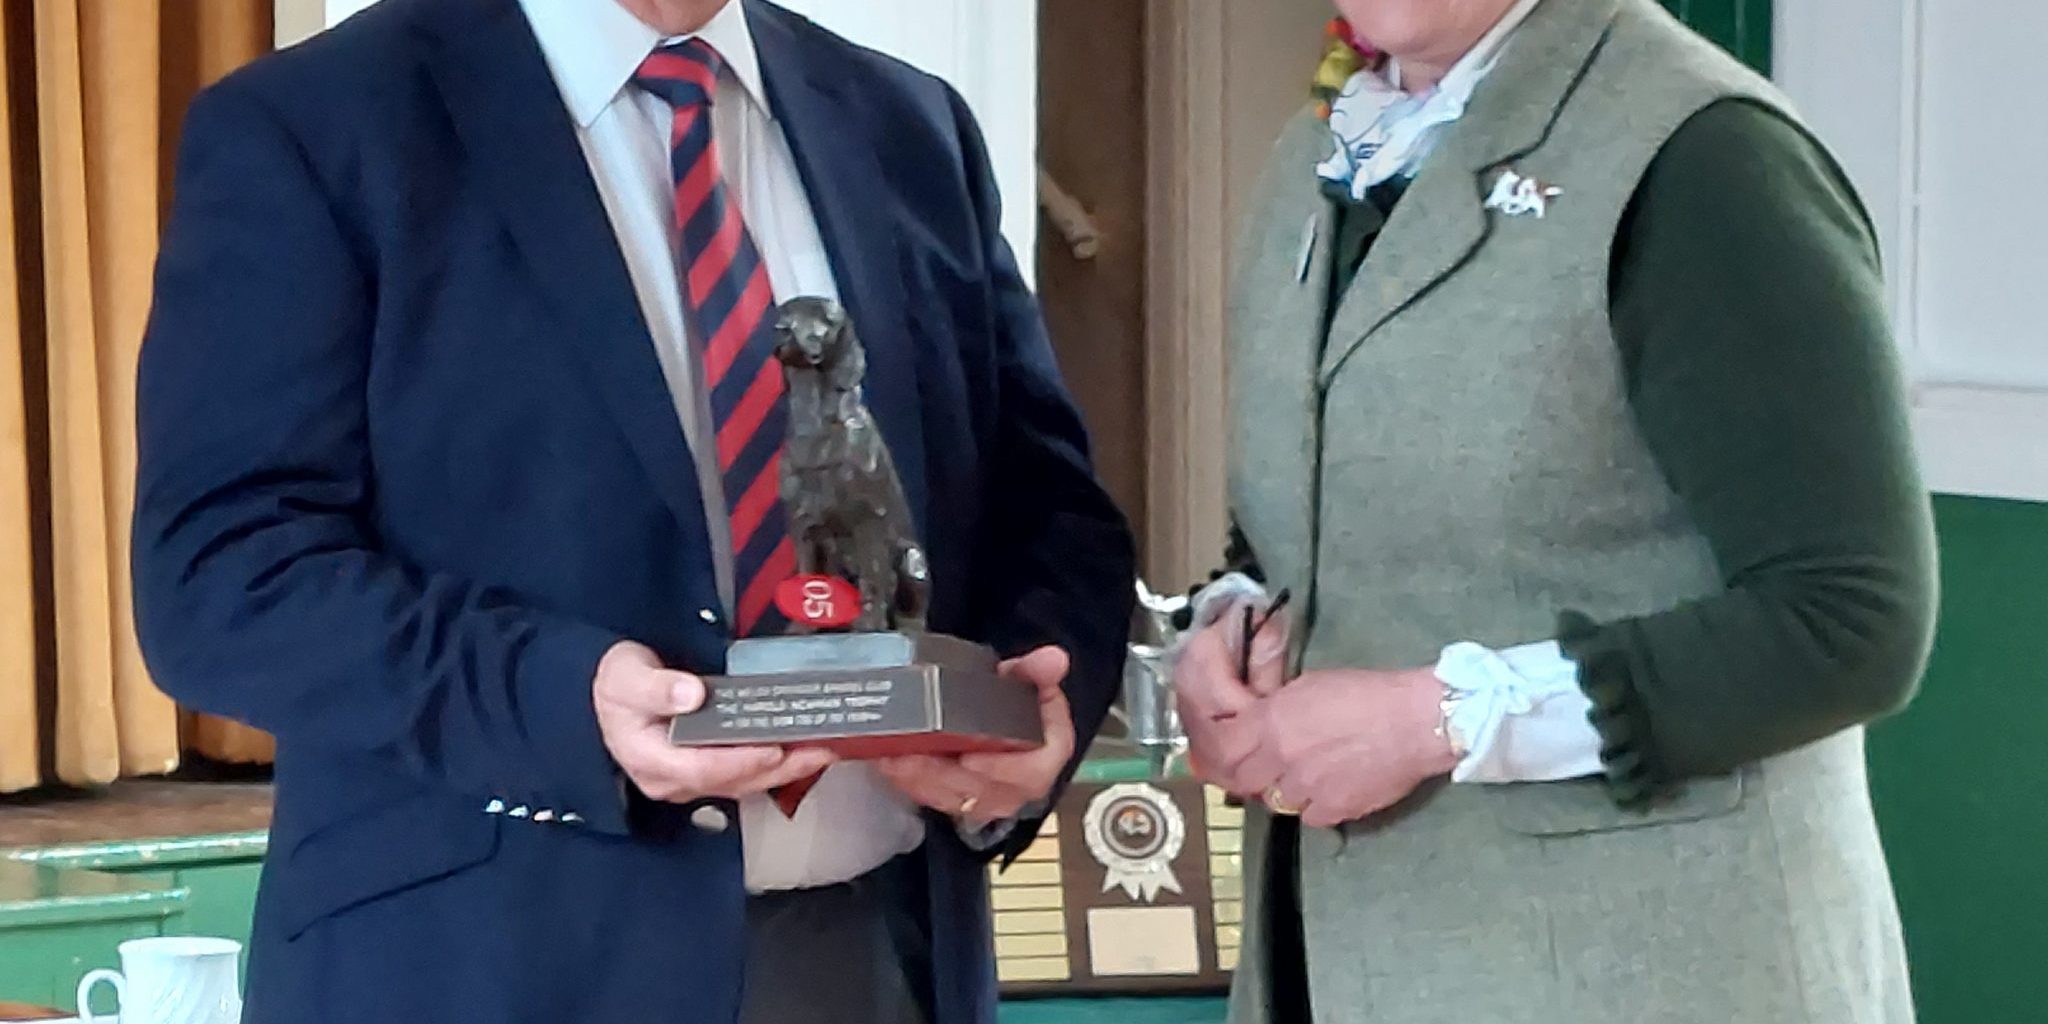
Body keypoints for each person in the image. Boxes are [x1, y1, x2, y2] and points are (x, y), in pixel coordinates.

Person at [130, 0, 1135, 1021]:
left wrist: (1018, 705)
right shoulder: (316, 125)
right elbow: (220, 574)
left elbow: (1050, 511)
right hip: (480, 965)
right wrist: (565, 703)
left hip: (875, 954)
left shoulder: (910, 127)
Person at [1174, 0, 1937, 1022]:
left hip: (1649, 967)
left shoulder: (1704, 154)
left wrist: (1436, 720)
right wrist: (1232, 628)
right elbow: (1314, 504)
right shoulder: (1320, 154)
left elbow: (1851, 621)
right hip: (1352, 954)